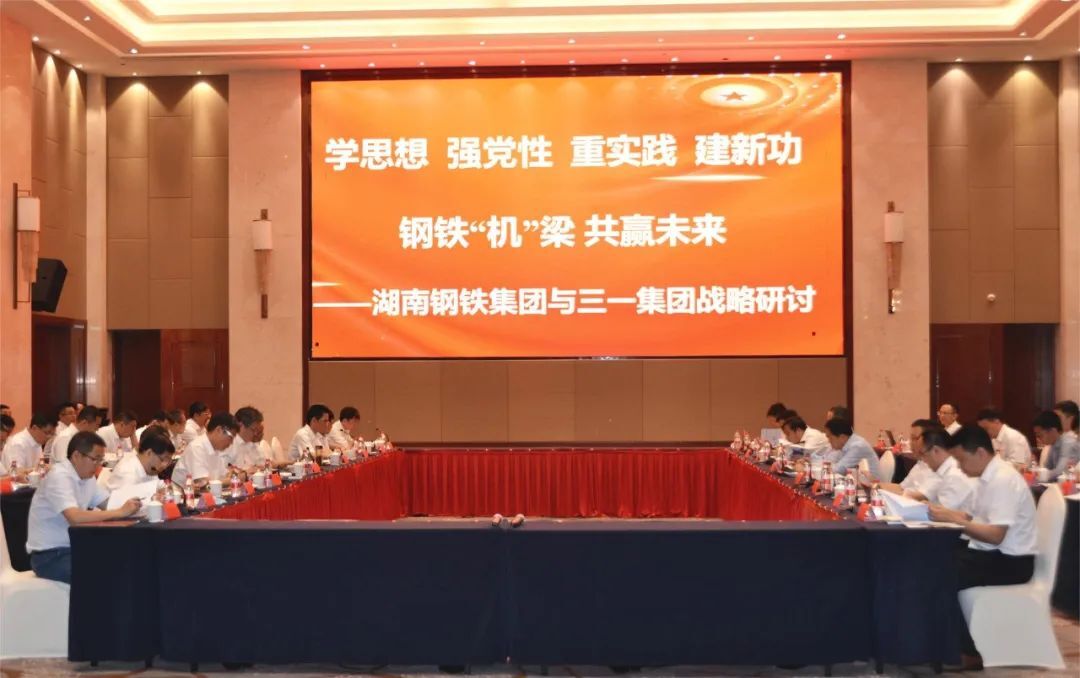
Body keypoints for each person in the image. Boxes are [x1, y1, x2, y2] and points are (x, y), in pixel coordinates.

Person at [928, 424, 1037, 671]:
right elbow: (970, 517)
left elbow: (995, 535)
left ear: (979, 453)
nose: (959, 467)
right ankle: (939, 642)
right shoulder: (985, 476)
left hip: (1011, 562)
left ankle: (968, 652)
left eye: (961, 460)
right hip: (988, 553)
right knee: (932, 562)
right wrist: (942, 512)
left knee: (940, 574)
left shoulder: (1003, 480)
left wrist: (953, 519)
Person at [25, 431, 141, 584]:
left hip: (76, 548)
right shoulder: (59, 476)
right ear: (76, 456)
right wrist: (120, 512)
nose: (98, 465)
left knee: (126, 561)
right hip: (50, 556)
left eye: (101, 460)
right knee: (105, 574)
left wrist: (138, 503)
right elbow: (75, 517)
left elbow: (109, 503)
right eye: (95, 459)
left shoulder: (87, 476)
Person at [878, 427, 975, 511]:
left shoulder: (954, 473)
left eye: (923, 454)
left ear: (935, 450)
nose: (923, 459)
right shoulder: (941, 469)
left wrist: (924, 505)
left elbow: (944, 514)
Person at [171, 412, 236, 490]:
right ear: (218, 430)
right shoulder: (197, 447)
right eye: (231, 437)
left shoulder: (216, 448)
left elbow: (224, 476)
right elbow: (204, 485)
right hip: (184, 495)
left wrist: (228, 479)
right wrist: (232, 481)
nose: (231, 443)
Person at [107, 426, 175, 492]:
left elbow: (161, 486)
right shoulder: (128, 475)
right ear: (149, 453)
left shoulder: (150, 467)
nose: (165, 465)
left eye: (168, 461)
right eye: (163, 460)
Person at [1033, 410, 1080, 481]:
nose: (1038, 439)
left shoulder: (1068, 443)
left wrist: (1038, 475)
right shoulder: (1054, 444)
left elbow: (1061, 472)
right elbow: (1046, 468)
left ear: (1052, 431)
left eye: (1040, 436)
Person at [225, 406, 267, 475]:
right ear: (241, 425)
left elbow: (260, 464)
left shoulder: (250, 443)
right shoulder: (228, 443)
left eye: (257, 430)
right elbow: (224, 471)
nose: (255, 434)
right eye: (253, 430)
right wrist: (245, 472)